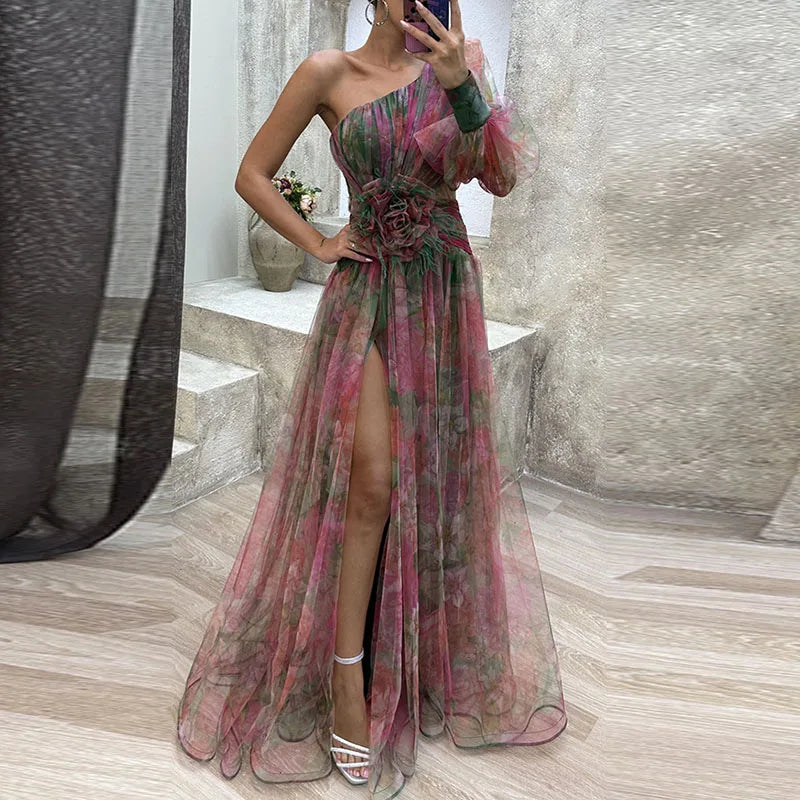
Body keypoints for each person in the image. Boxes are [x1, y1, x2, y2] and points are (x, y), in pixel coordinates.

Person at [176, 1, 567, 797]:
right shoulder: (329, 71)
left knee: (435, 479)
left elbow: (501, 177)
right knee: (372, 481)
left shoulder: (458, 68)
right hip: (366, 287)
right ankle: (347, 671)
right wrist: (319, 242)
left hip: (442, 287)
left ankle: (419, 648)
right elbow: (252, 174)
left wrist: (461, 87)